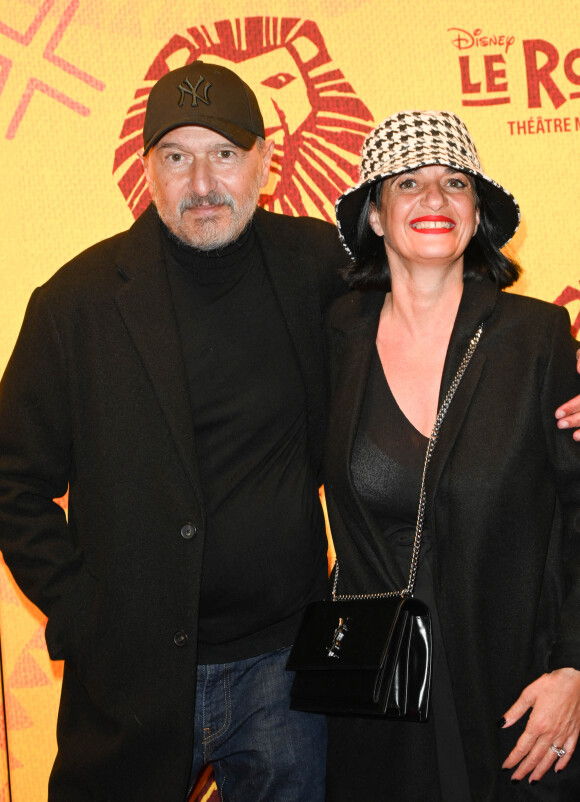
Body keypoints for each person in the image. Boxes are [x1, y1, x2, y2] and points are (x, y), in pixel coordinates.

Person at [0, 61, 348, 801]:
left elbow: (435, 289)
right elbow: (10, 478)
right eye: (177, 157)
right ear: (146, 172)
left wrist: (543, 371)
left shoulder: (319, 264)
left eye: (224, 154)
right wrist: (78, 612)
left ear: (264, 162)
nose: (202, 184)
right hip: (131, 675)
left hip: (287, 666)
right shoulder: (74, 304)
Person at [322, 110, 580, 801]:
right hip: (376, 693)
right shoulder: (334, 336)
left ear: (477, 212)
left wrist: (574, 669)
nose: (434, 200)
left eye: (455, 183)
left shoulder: (537, 337)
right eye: (409, 183)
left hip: (514, 692)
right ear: (375, 216)